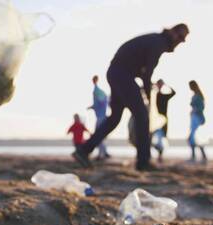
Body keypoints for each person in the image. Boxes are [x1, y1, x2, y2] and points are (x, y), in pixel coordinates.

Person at [72, 24, 190, 171]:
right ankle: (143, 162)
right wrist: (148, 96)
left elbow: (140, 70)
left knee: (114, 118)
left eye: (183, 39)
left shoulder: (155, 41)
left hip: (117, 73)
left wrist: (145, 84)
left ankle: (83, 151)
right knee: (142, 116)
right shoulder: (158, 43)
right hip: (122, 75)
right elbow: (147, 74)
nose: (180, 41)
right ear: (172, 32)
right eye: (179, 36)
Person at [87, 75, 111, 160]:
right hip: (101, 116)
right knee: (99, 135)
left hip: (101, 117)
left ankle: (102, 154)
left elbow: (100, 103)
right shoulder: (100, 91)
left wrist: (92, 107)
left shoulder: (97, 91)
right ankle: (103, 152)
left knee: (98, 135)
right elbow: (104, 102)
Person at [153, 79, 176, 161]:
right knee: (153, 138)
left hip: (164, 120)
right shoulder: (154, 95)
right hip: (154, 120)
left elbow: (173, 92)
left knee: (162, 138)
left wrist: (166, 85)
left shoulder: (164, 96)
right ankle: (157, 154)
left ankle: (160, 156)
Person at [188, 80, 208, 163]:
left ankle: (195, 156)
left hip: (197, 118)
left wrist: (195, 111)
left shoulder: (198, 96)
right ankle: (201, 156)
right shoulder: (196, 95)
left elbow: (201, 107)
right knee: (195, 138)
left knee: (193, 138)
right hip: (195, 118)